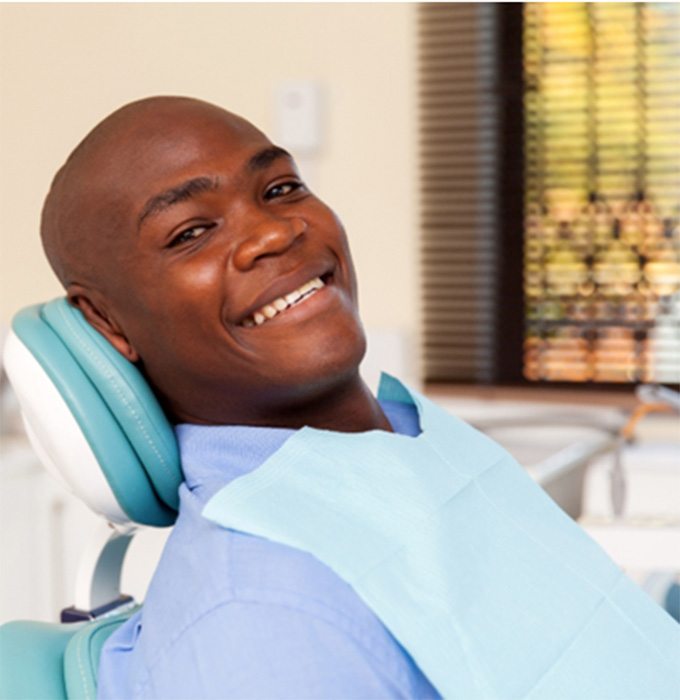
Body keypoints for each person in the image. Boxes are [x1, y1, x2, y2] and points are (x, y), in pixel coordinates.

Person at [41, 97, 679, 700]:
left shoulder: (412, 439)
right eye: (190, 233)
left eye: (281, 188)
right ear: (107, 323)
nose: (273, 232)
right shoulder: (261, 615)